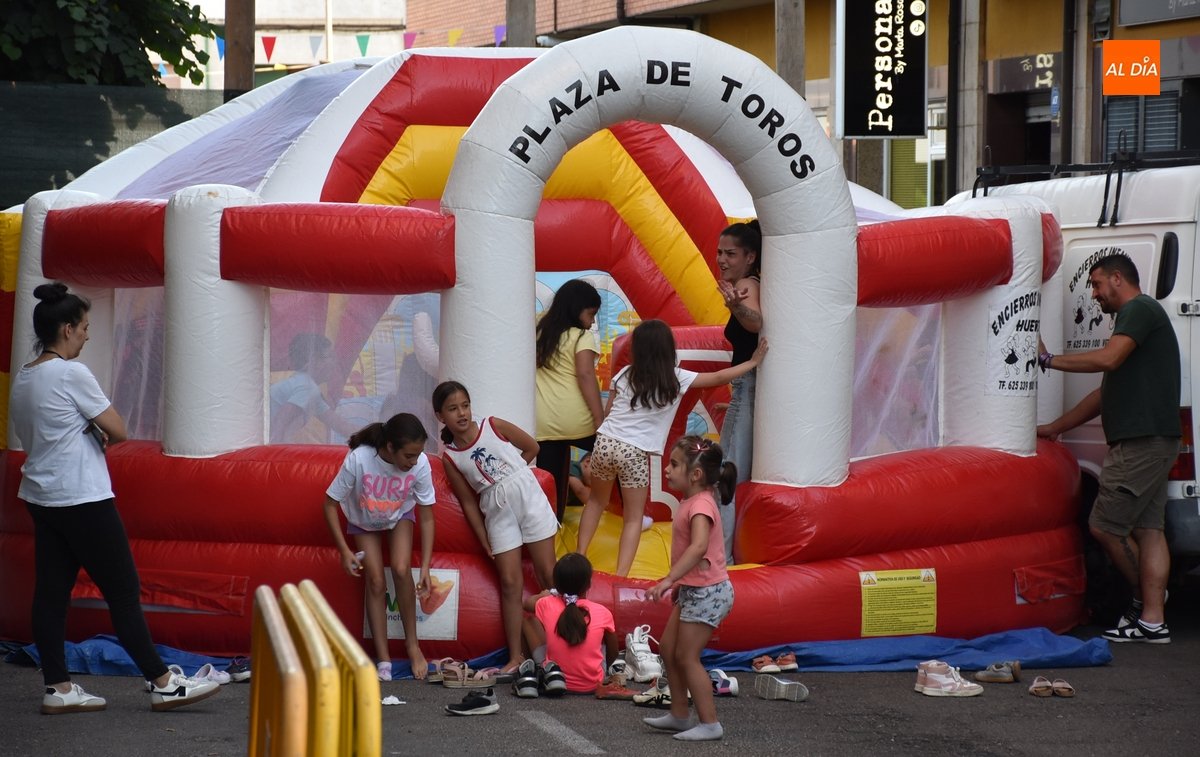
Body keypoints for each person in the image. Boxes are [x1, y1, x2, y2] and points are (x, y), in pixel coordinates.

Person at [11, 283, 220, 714]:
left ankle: (59, 687)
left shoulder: (25, 375)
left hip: (41, 495)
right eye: (85, 328)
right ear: (67, 329)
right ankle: (163, 682)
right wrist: (98, 429)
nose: (88, 335)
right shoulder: (72, 373)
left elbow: (51, 431)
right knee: (123, 591)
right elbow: (119, 429)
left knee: (51, 593)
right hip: (81, 496)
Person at [1037, 254, 1181, 643]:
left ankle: (1145, 598)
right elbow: (1105, 394)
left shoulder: (1139, 309)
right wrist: (1055, 427)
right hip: (1155, 440)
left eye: (1098, 285)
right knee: (1149, 530)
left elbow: (1109, 359)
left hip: (1139, 444)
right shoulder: (1137, 321)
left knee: (1103, 525)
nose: (1095, 295)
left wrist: (1047, 360)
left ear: (1118, 278)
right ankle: (1153, 620)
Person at [574, 319, 767, 576]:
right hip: (633, 453)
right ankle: (620, 577)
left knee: (596, 502)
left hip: (605, 442)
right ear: (668, 349)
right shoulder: (675, 377)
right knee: (633, 518)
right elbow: (719, 376)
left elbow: (610, 412)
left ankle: (578, 558)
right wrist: (752, 362)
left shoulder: (624, 373)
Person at [433, 381, 559, 676]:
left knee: (549, 575)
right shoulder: (451, 456)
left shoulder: (492, 425)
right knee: (510, 583)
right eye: (453, 409)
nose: (462, 413)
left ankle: (560, 649)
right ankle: (516, 657)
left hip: (528, 498)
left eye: (465, 405)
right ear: (441, 417)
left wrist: (514, 473)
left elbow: (533, 447)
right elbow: (467, 503)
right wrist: (485, 540)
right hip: (496, 513)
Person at [323, 413, 436, 679]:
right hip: (364, 519)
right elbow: (329, 504)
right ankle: (383, 659)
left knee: (400, 568)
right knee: (375, 581)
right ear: (390, 447)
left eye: (418, 454)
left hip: (398, 515)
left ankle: (412, 646)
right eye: (409, 456)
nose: (415, 461)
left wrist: (427, 567)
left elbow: (427, 516)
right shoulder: (359, 459)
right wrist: (344, 550)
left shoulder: (420, 465)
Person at [644, 436, 737, 741]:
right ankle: (680, 716)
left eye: (673, 465)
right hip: (694, 590)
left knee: (687, 656)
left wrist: (670, 579)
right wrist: (681, 584)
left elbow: (698, 547)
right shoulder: (690, 500)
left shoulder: (701, 505)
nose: (667, 470)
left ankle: (710, 723)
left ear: (695, 474)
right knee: (669, 651)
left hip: (709, 592)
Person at [535, 280, 604, 520]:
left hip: (544, 425)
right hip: (578, 421)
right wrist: (599, 419)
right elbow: (585, 375)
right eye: (591, 314)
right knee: (618, 455)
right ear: (577, 309)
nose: (592, 321)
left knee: (549, 488)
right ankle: (628, 511)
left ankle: (550, 529)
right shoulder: (580, 336)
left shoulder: (541, 334)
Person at [715, 220, 763, 563]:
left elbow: (755, 321)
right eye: (719, 252)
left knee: (727, 475)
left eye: (730, 253)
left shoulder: (747, 283)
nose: (721, 259)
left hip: (747, 389)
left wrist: (735, 305)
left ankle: (723, 559)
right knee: (726, 472)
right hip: (742, 390)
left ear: (750, 257)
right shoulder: (746, 281)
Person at [515, 552, 618, 696]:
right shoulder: (602, 612)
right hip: (593, 683)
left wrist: (546, 594)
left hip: (555, 679)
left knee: (528, 622)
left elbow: (526, 604)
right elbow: (614, 652)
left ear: (556, 585)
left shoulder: (547, 603)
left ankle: (535, 670)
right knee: (602, 634)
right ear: (589, 583)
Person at [270, 332, 360, 443]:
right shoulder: (307, 388)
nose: (334, 362)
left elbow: (343, 427)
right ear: (316, 361)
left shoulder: (306, 387)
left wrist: (380, 435)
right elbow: (278, 423)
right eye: (331, 356)